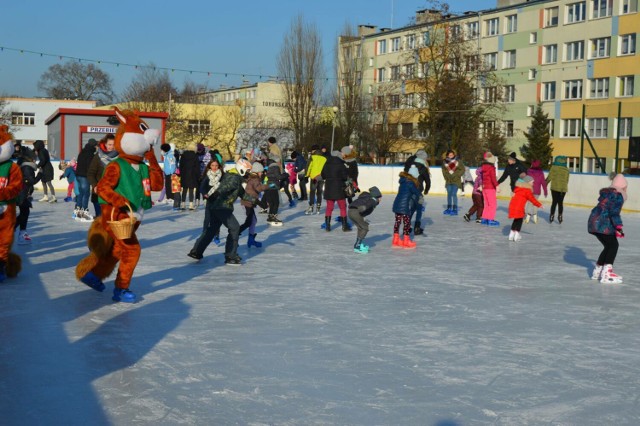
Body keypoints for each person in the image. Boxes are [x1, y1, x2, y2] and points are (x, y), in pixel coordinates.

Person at [188, 159, 248, 265]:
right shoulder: (233, 178)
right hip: (221, 206)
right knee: (234, 227)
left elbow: (243, 194)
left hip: (216, 205)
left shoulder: (231, 176)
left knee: (212, 229)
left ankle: (197, 251)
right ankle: (230, 255)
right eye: (247, 171)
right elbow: (224, 187)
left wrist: (258, 201)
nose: (248, 174)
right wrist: (213, 194)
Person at [588, 174, 627, 284]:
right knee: (614, 245)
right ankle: (607, 274)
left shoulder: (608, 194)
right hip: (603, 223)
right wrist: (618, 227)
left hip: (593, 222)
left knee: (608, 246)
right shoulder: (618, 195)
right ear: (622, 187)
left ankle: (598, 271)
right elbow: (614, 212)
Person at [239, 162, 270, 248]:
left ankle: (251, 239)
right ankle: (236, 234)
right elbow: (259, 188)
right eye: (260, 172)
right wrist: (269, 185)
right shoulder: (255, 179)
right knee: (250, 221)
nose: (262, 174)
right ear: (256, 172)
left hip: (249, 203)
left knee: (253, 221)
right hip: (247, 203)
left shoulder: (253, 178)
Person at [87, 134, 118, 217]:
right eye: (109, 144)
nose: (112, 147)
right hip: (99, 193)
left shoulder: (119, 157)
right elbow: (90, 173)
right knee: (100, 218)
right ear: (105, 144)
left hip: (114, 193)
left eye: (113, 144)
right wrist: (95, 185)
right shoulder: (98, 156)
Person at [392, 165, 421, 248]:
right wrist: (421, 197)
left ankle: (396, 239)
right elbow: (417, 192)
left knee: (397, 222)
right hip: (404, 206)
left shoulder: (403, 182)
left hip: (397, 204)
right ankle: (406, 241)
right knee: (407, 223)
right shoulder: (410, 183)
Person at [403, 149, 431, 234]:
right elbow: (428, 181)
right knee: (419, 209)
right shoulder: (423, 167)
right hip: (418, 192)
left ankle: (406, 226)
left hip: (409, 191)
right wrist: (426, 190)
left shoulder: (409, 165)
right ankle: (417, 228)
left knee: (410, 209)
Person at [508, 175, 543, 242]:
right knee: (520, 220)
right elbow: (532, 199)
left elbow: (513, 195)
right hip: (519, 207)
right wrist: (539, 205)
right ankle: (516, 235)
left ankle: (511, 235)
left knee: (516, 219)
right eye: (532, 182)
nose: (533, 184)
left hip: (512, 206)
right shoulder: (527, 190)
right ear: (528, 183)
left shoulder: (518, 188)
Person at [321, 151, 350, 232]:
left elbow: (323, 176)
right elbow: (345, 177)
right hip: (339, 188)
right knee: (343, 207)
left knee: (329, 208)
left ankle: (327, 226)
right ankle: (344, 226)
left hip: (329, 188)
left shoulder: (326, 164)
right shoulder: (341, 164)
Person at [348, 186, 382, 254]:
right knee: (365, 228)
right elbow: (366, 206)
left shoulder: (366, 197)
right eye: (380, 198)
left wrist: (362, 218)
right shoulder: (373, 200)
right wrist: (363, 208)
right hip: (356, 212)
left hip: (350, 211)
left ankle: (358, 245)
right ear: (376, 196)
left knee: (361, 227)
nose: (380, 199)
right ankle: (357, 246)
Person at [15, 149, 38, 244]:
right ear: (30, 158)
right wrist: (40, 174)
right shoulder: (27, 167)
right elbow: (32, 181)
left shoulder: (25, 166)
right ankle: (21, 234)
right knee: (25, 212)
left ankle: (16, 230)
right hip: (22, 193)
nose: (35, 160)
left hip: (23, 192)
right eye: (34, 158)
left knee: (24, 213)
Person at [74, 139, 98, 221]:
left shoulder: (82, 152)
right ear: (93, 146)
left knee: (80, 194)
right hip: (84, 176)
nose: (97, 147)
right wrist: (92, 176)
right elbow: (89, 166)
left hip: (78, 175)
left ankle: (78, 212)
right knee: (86, 194)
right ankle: (84, 212)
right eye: (96, 145)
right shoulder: (90, 154)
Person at [546, 155, 570, 223]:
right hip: (563, 188)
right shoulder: (566, 169)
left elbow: (550, 176)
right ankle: (560, 216)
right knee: (560, 203)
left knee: (554, 202)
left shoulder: (554, 167)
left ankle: (552, 215)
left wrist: (546, 182)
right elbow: (567, 179)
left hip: (555, 187)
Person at [441, 149, 465, 215]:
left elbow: (463, 169)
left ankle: (454, 208)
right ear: (447, 155)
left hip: (456, 180)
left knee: (454, 194)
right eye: (449, 155)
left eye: (452, 154)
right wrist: (446, 176)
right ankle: (449, 208)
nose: (451, 155)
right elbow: (443, 170)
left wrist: (457, 174)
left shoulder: (458, 161)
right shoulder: (445, 162)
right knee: (449, 194)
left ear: (454, 155)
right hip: (448, 180)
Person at [305, 145, 327, 215]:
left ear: (314, 150)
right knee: (319, 192)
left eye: (312, 150)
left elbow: (309, 167)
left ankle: (311, 207)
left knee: (312, 192)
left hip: (314, 177)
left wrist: (306, 176)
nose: (311, 152)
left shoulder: (312, 157)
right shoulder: (324, 158)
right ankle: (318, 207)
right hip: (321, 177)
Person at [480, 152, 500, 227]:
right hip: (490, 188)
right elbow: (493, 178)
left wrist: (481, 185)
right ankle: (490, 219)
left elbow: (482, 178)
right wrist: (497, 186)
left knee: (487, 204)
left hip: (485, 187)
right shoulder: (491, 168)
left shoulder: (483, 167)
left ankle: (484, 218)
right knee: (492, 204)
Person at [525, 159, 548, 224]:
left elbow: (526, 180)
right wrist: (545, 191)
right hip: (537, 191)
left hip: (530, 190)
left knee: (530, 203)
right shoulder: (541, 172)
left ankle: (528, 217)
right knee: (535, 203)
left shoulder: (529, 171)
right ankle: (535, 217)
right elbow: (543, 182)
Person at [179, 144, 200, 210]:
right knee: (191, 189)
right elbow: (197, 167)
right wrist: (198, 175)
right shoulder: (195, 156)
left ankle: (183, 204)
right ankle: (191, 204)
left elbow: (180, 165)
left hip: (184, 174)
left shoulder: (183, 155)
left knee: (184, 189)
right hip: (192, 175)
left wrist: (181, 173)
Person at [264, 157, 284, 225]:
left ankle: (270, 216)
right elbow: (279, 177)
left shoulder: (269, 168)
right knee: (276, 202)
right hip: (274, 186)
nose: (280, 163)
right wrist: (286, 175)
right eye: (279, 162)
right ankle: (273, 217)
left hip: (269, 186)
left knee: (272, 203)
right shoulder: (276, 167)